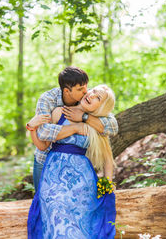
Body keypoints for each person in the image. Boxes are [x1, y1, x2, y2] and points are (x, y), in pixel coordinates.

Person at [27, 84, 117, 238]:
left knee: (83, 221)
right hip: (53, 176)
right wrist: (32, 128)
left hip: (82, 181)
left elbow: (108, 159)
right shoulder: (59, 112)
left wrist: (107, 184)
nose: (92, 95)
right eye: (93, 91)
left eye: (98, 98)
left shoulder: (96, 125)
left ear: (100, 107)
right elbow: (42, 146)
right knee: (55, 212)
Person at [26, 66, 118, 192]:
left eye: (87, 87)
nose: (87, 92)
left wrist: (84, 117)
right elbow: (43, 134)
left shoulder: (90, 108)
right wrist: (76, 128)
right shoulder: (50, 102)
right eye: (81, 89)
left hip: (78, 172)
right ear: (66, 91)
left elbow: (113, 127)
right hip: (47, 163)